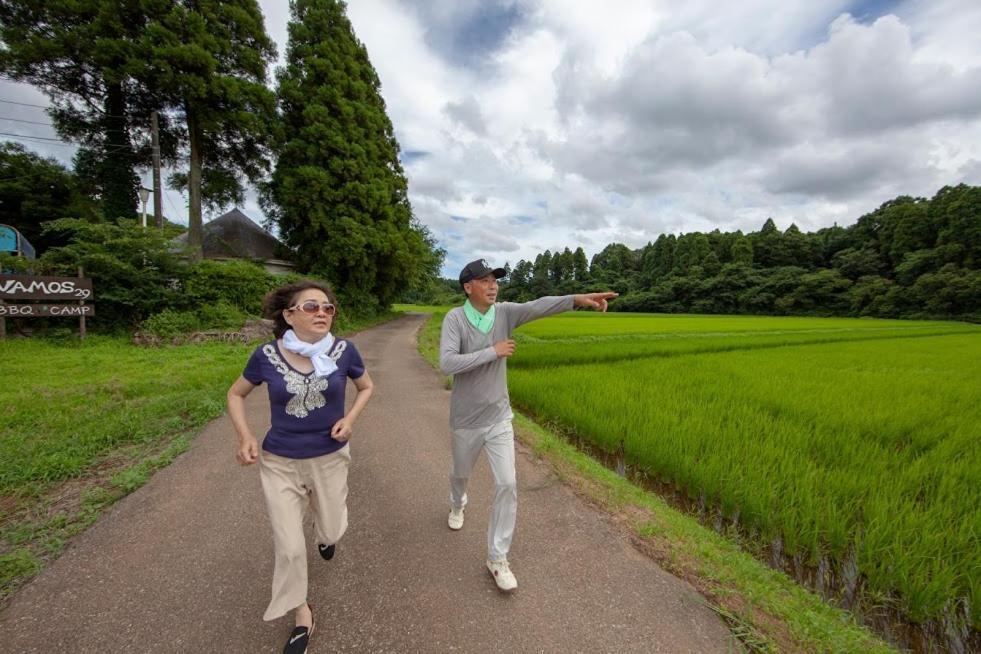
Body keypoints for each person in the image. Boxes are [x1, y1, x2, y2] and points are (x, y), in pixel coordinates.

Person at [439, 258, 617, 591]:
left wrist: (578, 299)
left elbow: (539, 306)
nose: (493, 286)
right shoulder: (455, 319)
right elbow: (448, 363)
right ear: (468, 287)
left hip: (499, 417)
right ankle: (457, 502)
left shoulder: (504, 313)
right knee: (460, 473)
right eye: (485, 280)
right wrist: (492, 351)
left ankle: (497, 558)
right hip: (466, 419)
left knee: (507, 483)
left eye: (495, 280)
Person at [227, 280, 373, 654]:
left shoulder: (344, 352)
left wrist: (351, 419)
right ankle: (302, 615)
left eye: (328, 308)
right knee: (290, 548)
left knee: (332, 529)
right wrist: (245, 437)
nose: (322, 313)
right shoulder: (265, 356)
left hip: (329, 458)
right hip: (280, 462)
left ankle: (323, 530)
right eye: (311, 307)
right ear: (289, 315)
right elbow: (235, 394)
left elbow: (367, 387)